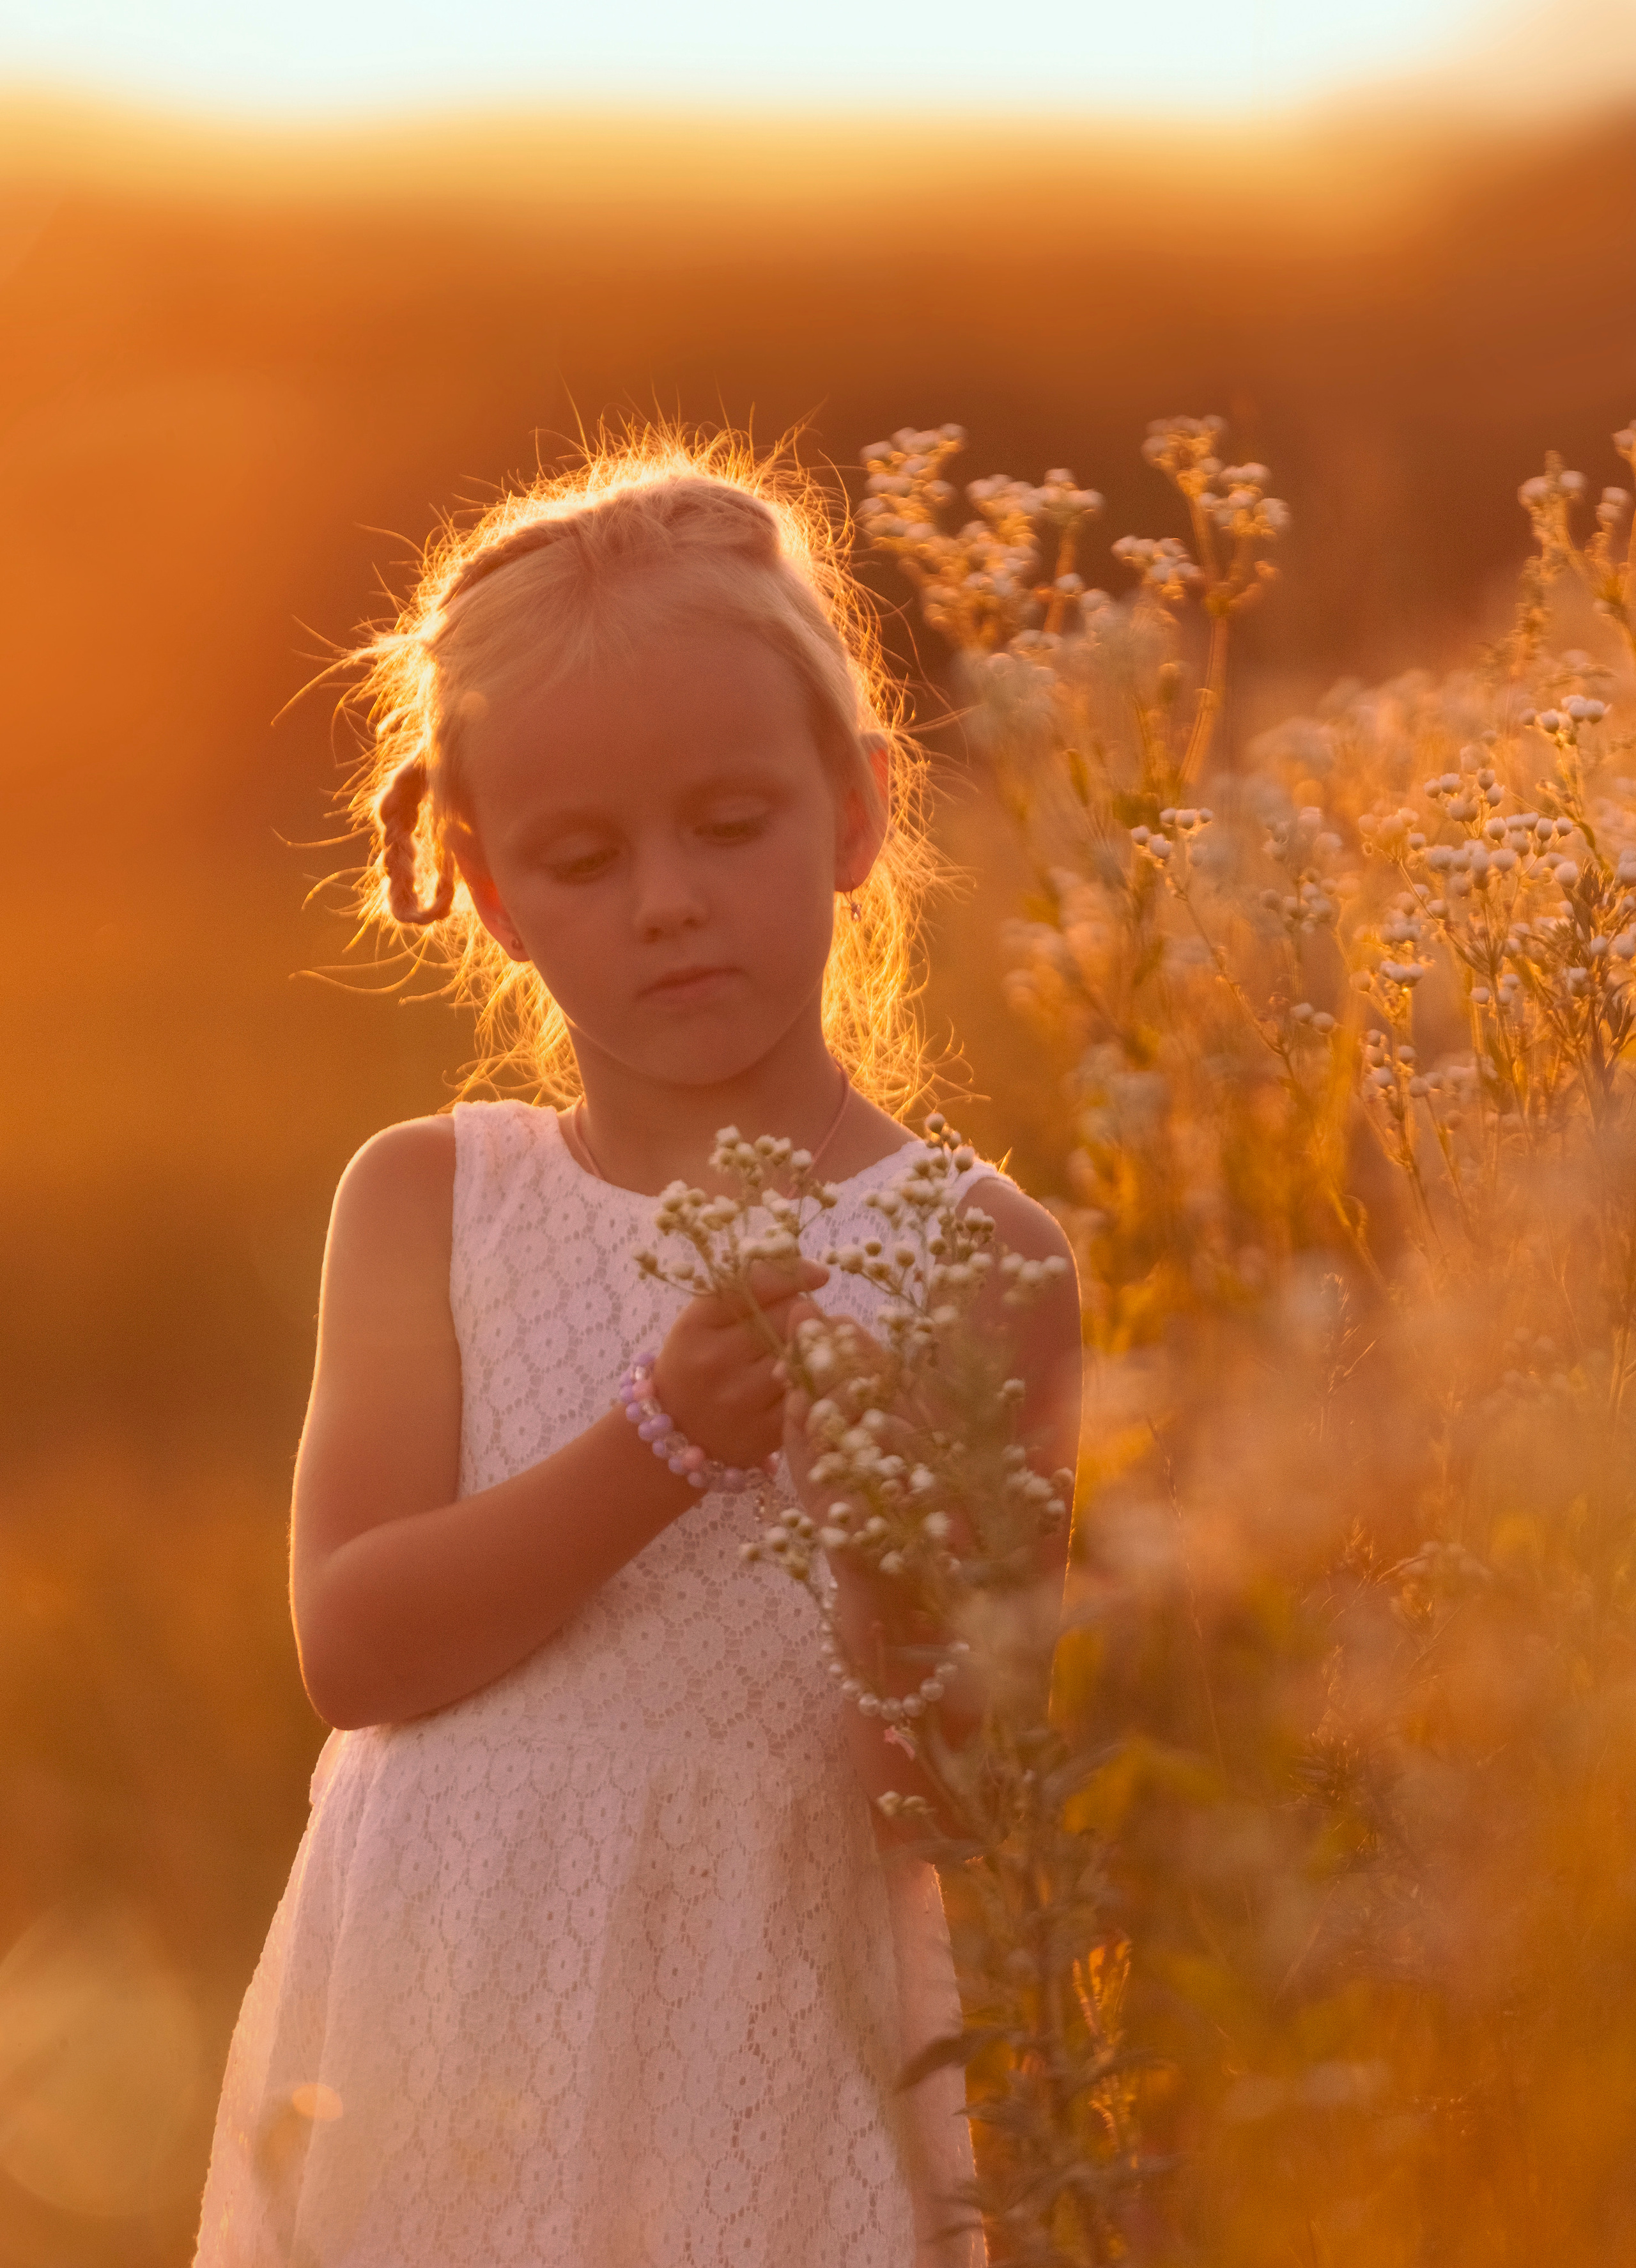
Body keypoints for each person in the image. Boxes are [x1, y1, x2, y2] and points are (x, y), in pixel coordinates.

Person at [194, 430, 1081, 2267]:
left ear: (856, 812)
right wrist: (657, 1437)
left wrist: (877, 1534)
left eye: (730, 824)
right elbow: (354, 1643)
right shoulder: (433, 1201)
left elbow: (955, 1793)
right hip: (446, 2012)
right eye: (584, 858)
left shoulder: (980, 1256)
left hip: (768, 2021)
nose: (667, 897)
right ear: (493, 894)